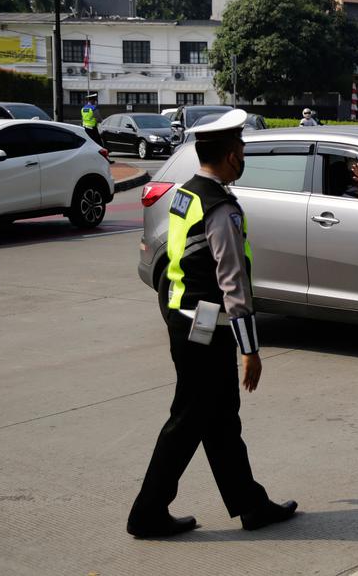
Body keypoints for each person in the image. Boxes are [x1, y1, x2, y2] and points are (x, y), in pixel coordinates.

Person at [127, 108, 297, 538]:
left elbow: (182, 258)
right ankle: (147, 513)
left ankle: (250, 505)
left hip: (184, 319)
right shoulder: (221, 208)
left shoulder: (187, 193)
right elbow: (233, 281)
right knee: (189, 420)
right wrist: (250, 349)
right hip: (206, 330)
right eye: (241, 148)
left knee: (220, 419)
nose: (243, 155)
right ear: (230, 155)